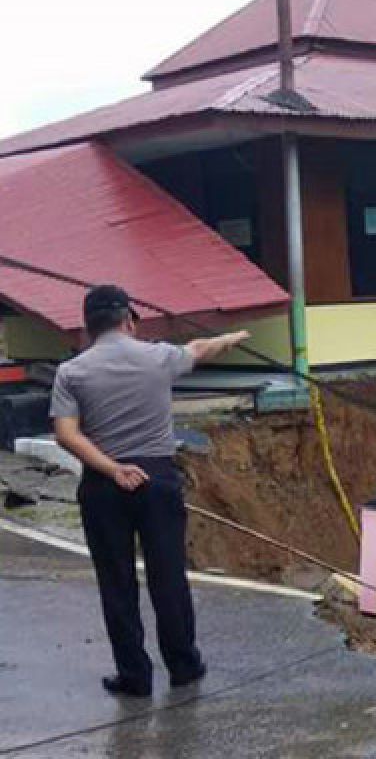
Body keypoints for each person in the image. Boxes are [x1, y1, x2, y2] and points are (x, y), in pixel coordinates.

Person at [51, 285, 249, 698]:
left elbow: (66, 435)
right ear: (129, 320)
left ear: (87, 328)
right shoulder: (159, 357)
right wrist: (229, 339)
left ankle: (135, 677)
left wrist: (112, 468)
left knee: (117, 582)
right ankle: (184, 666)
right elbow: (199, 349)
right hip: (158, 480)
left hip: (104, 486)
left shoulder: (71, 372)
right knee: (168, 577)